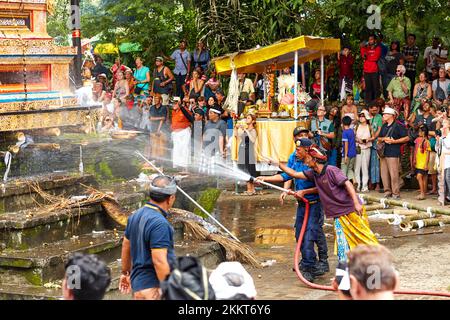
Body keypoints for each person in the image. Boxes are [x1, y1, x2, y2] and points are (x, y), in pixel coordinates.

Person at [260, 146, 379, 263]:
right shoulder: (314, 173)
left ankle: (379, 264)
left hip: (351, 211)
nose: (305, 162)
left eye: (308, 159)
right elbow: (295, 175)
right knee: (342, 245)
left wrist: (356, 203)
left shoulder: (331, 170)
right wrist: (278, 165)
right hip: (338, 215)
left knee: (364, 239)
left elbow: (348, 184)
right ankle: (347, 273)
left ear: (315, 160)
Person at [257, 135, 328, 282]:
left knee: (310, 235)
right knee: (299, 234)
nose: (296, 152)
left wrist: (305, 192)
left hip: (314, 205)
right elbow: (286, 176)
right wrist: (264, 179)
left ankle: (310, 266)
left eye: (298, 149)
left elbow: (322, 186)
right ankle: (310, 261)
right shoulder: (295, 159)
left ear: (308, 151)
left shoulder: (313, 164)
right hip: (302, 206)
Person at [119, 175, 177, 300]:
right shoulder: (160, 223)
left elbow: (126, 245)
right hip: (153, 289)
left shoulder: (135, 216)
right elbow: (159, 261)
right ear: (170, 198)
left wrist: (125, 273)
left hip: (138, 287)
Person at [378, 107, 409, 199]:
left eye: (385, 114)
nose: (383, 116)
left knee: (393, 173)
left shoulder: (398, 126)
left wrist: (394, 141)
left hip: (393, 152)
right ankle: (387, 191)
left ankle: (396, 193)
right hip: (383, 153)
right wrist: (384, 139)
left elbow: (406, 138)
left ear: (391, 116)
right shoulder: (384, 126)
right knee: (384, 173)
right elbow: (379, 138)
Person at [235, 114, 258, 195]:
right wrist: (236, 127)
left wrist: (247, 131)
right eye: (246, 118)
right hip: (242, 149)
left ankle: (251, 189)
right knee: (244, 168)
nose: (246, 119)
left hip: (249, 150)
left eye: (248, 118)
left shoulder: (253, 130)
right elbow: (237, 136)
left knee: (249, 168)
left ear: (253, 121)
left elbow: (253, 140)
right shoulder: (245, 130)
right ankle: (250, 189)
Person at [171, 96, 193, 171]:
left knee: (185, 149)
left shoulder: (185, 110)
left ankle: (185, 168)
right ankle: (179, 168)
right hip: (176, 133)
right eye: (173, 103)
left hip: (184, 132)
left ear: (179, 103)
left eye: (175, 103)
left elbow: (191, 119)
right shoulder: (173, 111)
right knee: (177, 149)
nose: (173, 105)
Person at [354, 110, 374, 192]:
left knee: (365, 167)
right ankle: (358, 185)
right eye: (360, 116)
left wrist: (367, 139)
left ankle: (365, 186)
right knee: (357, 167)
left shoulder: (369, 126)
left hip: (366, 148)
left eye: (363, 116)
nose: (361, 118)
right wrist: (358, 140)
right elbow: (354, 136)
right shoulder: (356, 126)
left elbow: (373, 137)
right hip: (358, 148)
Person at [360, 34, 381, 104]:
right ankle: (368, 104)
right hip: (366, 70)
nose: (370, 41)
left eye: (371, 39)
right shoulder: (365, 48)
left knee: (376, 88)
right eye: (369, 40)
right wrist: (370, 55)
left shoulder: (378, 48)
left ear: (375, 40)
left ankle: (376, 103)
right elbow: (363, 56)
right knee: (368, 88)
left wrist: (368, 56)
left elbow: (376, 58)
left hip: (374, 70)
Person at [368, 101, 383, 191]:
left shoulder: (379, 117)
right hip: (365, 143)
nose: (375, 111)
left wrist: (374, 137)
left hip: (375, 143)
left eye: (376, 110)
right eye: (373, 110)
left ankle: (377, 183)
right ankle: (370, 182)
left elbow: (379, 129)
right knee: (368, 163)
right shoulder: (366, 116)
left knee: (376, 164)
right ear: (369, 109)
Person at [149, 95, 169, 162]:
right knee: (153, 145)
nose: (155, 100)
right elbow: (150, 118)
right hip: (153, 129)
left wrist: (158, 130)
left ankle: (161, 162)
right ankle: (154, 161)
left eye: (157, 99)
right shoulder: (152, 107)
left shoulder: (163, 108)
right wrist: (159, 117)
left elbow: (163, 120)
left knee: (161, 147)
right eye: (155, 99)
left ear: (160, 100)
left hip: (161, 129)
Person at [413, 125, 430, 200]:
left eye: (420, 131)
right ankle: (424, 192)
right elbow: (415, 150)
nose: (418, 133)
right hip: (418, 162)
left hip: (423, 163)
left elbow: (428, 154)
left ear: (423, 132)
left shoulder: (427, 142)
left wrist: (426, 164)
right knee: (424, 177)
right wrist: (414, 159)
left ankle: (422, 193)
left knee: (419, 176)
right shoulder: (418, 140)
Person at [341, 116, 357, 181]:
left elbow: (346, 144)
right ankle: (354, 181)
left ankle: (344, 186)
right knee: (350, 169)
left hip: (347, 154)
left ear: (342, 123)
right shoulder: (352, 131)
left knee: (343, 171)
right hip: (353, 153)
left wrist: (345, 155)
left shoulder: (345, 132)